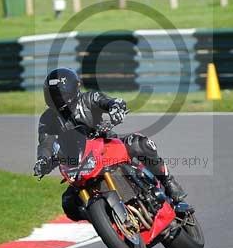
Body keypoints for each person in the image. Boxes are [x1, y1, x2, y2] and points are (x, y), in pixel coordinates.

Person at [33, 67, 186, 221]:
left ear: (73, 89)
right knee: (68, 204)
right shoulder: (47, 119)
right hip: (79, 161)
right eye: (52, 95)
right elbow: (46, 142)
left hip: (105, 145)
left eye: (60, 94)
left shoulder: (89, 98)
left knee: (140, 143)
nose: (57, 99)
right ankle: (104, 218)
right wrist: (43, 160)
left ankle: (169, 182)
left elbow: (109, 101)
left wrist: (115, 108)